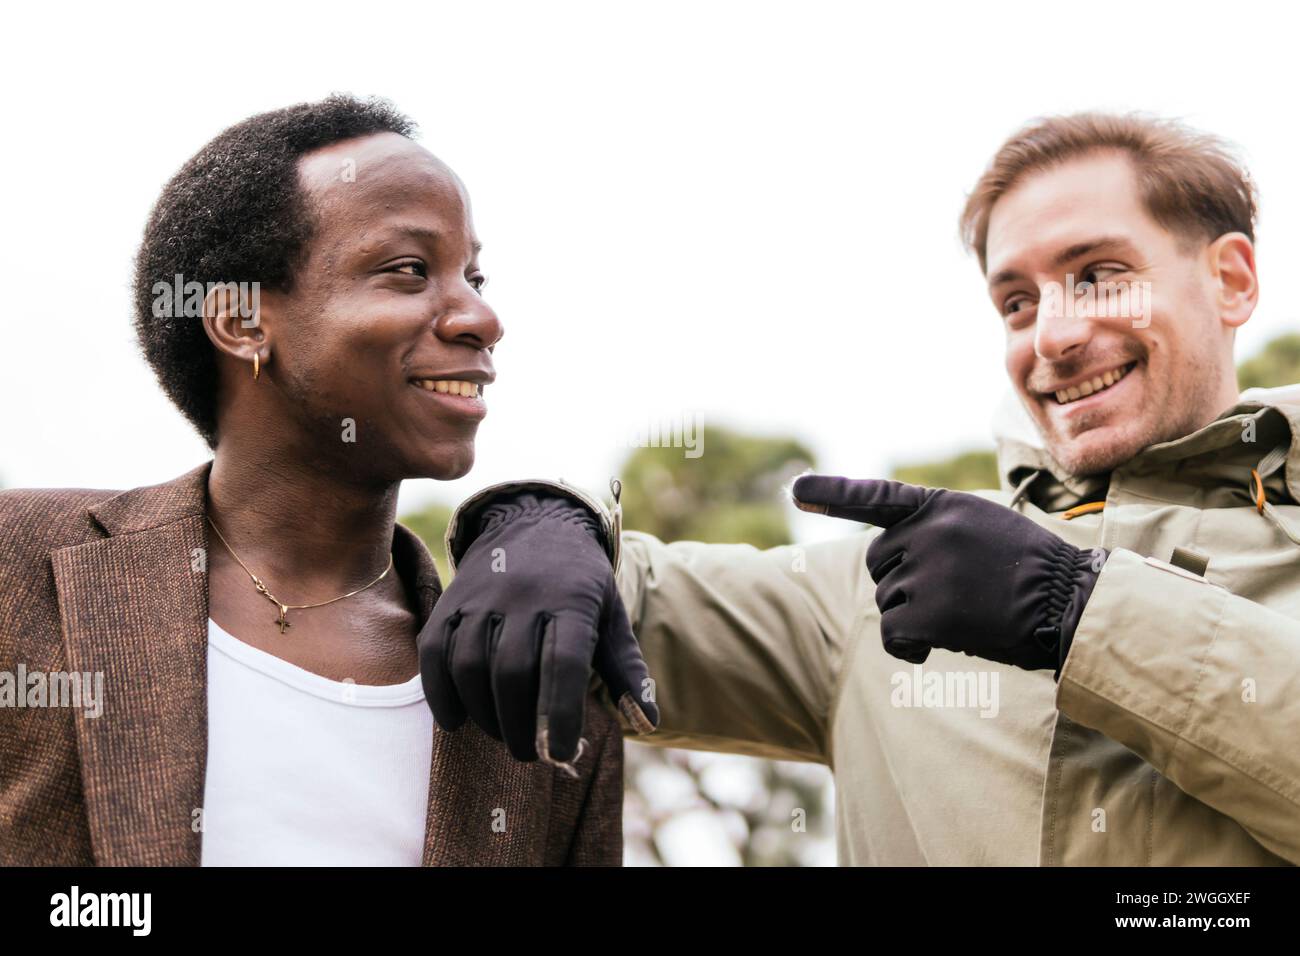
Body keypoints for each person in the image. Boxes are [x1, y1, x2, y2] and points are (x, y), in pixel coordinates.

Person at [423, 112, 1300, 865]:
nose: (1054, 337)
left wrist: (1081, 611)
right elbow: (624, 604)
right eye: (1017, 303)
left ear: (1231, 280)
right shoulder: (878, 592)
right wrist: (537, 519)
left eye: (1099, 275)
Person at [0, 95, 623, 866]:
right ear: (240, 320)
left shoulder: (543, 682)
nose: (481, 317)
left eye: (475, 273)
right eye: (409, 270)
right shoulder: (18, 569)